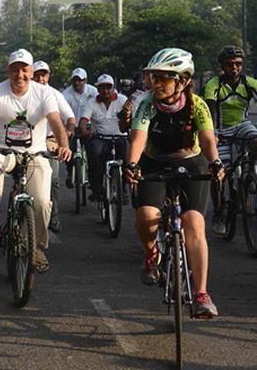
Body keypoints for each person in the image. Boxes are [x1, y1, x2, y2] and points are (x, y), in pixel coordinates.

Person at [125, 48, 223, 318]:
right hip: (154, 161)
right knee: (146, 215)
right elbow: (137, 140)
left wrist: (215, 162)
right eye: (152, 78)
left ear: (181, 81)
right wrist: (131, 165)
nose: (155, 84)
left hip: (191, 162)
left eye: (162, 79)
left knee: (194, 222)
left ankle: (202, 294)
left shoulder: (198, 104)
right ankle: (152, 253)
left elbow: (207, 141)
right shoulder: (146, 104)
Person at [0, 49, 72, 272]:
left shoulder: (44, 93)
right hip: (5, 150)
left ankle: (38, 246)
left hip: (35, 153)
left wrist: (64, 145)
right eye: (15, 69)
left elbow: (55, 121)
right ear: (8, 71)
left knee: (41, 202)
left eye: (24, 69)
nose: (19, 74)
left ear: (31, 72)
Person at [203, 45, 257, 236]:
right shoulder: (214, 84)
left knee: (255, 138)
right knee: (219, 173)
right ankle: (218, 212)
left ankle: (251, 172)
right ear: (222, 66)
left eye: (238, 64)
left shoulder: (249, 82)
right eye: (229, 64)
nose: (234, 68)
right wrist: (212, 134)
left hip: (242, 125)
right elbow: (209, 109)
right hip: (221, 130)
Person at [31, 60, 75, 233]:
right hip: (26, 142)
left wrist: (69, 131)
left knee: (53, 178)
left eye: (44, 75)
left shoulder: (54, 94)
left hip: (49, 141)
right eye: (37, 75)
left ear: (48, 76)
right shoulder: (24, 93)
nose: (41, 78)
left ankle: (54, 215)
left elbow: (70, 117)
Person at [79, 74, 128, 201]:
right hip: (100, 137)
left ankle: (124, 189)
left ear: (113, 88)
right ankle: (96, 189)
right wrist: (84, 130)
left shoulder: (122, 100)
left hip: (119, 137)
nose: (106, 90)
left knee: (127, 159)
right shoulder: (91, 102)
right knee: (93, 154)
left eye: (108, 87)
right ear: (98, 89)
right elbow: (84, 120)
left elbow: (131, 118)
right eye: (102, 88)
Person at [62, 67, 98, 187]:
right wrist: (66, 130)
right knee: (69, 151)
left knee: (93, 152)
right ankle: (69, 172)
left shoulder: (93, 91)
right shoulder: (66, 94)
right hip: (72, 127)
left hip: (89, 127)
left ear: (85, 80)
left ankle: (94, 181)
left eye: (80, 80)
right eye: (75, 80)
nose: (77, 83)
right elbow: (61, 113)